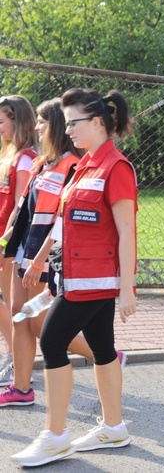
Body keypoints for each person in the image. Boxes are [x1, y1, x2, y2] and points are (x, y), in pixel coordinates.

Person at [12, 88, 137, 467]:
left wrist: (128, 286)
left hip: (95, 280)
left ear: (98, 122)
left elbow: (127, 231)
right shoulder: (83, 166)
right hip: (76, 276)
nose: (69, 131)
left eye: (74, 123)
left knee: (51, 341)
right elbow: (64, 223)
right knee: (101, 348)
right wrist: (37, 261)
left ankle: (55, 436)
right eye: (66, 124)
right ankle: (114, 428)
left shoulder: (117, 167)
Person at [0, 98, 102, 408]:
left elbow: (62, 221)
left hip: (43, 254)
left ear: (54, 125)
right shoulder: (42, 163)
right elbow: (24, 207)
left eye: (43, 122)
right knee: (22, 319)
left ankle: (105, 356)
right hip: (24, 249)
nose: (37, 127)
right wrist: (8, 236)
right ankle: (21, 388)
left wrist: (42, 257)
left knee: (32, 322)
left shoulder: (72, 165)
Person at [0, 95, 38, 386]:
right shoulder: (8, 154)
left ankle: (17, 360)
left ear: (18, 122)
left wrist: (4, 242)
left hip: (8, 242)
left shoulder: (25, 159)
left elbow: (19, 206)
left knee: (18, 309)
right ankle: (14, 355)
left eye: (2, 121)